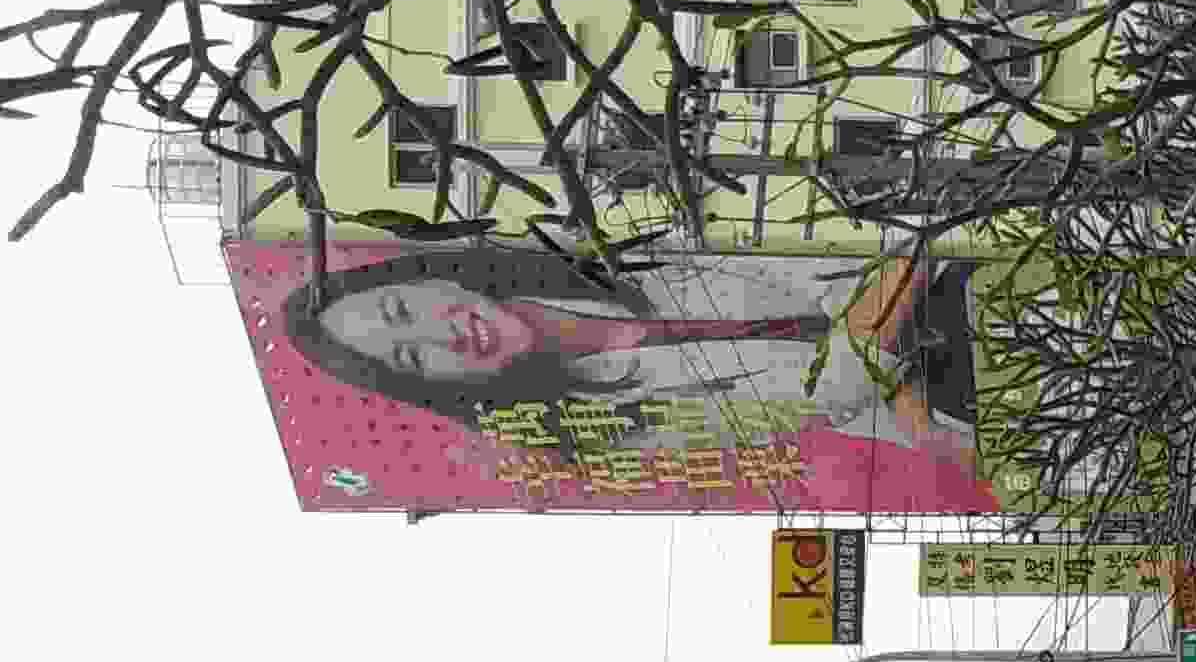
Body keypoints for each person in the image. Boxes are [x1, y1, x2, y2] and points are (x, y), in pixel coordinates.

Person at [277, 241, 990, 506]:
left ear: (428, 276)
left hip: (972, 276)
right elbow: (823, 396)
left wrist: (882, 301)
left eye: (402, 309)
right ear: (428, 384)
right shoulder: (595, 427)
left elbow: (802, 248)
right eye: (409, 357)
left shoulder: (589, 242)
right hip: (974, 401)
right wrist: (889, 291)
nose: (442, 335)